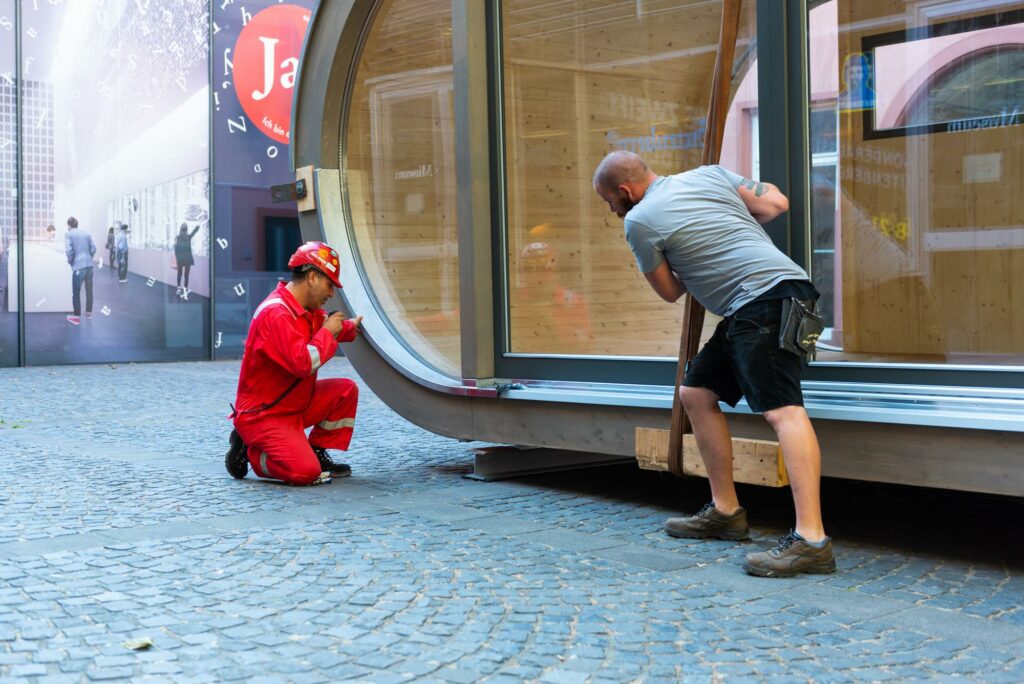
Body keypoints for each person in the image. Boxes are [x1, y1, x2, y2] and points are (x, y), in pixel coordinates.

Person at [592, 150, 834, 578]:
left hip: (766, 301)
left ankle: (811, 540)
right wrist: (721, 228)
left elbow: (670, 291)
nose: (611, 210)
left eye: (609, 201)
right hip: (775, 297)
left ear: (625, 191)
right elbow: (776, 203)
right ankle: (726, 512)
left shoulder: (639, 220)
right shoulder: (709, 177)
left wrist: (694, 250)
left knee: (783, 411)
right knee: (696, 392)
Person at [225, 241, 364, 486]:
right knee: (305, 473)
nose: (331, 293)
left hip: (293, 406)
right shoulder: (276, 314)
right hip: (264, 416)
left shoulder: (304, 309)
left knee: (345, 390)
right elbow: (303, 363)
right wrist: (327, 332)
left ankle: (316, 452)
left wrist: (353, 327)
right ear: (312, 278)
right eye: (329, 284)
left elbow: (331, 329)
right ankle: (253, 452)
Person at [64, 216, 96, 325]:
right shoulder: (86, 234)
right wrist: (89, 257)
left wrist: (71, 261)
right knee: (89, 290)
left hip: (78, 266)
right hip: (89, 265)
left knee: (76, 292)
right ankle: (88, 313)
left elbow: (68, 251)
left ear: (68, 225)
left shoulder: (68, 234)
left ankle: (76, 317)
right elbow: (93, 248)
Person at [174, 222, 201, 298]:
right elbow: (194, 232)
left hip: (181, 259)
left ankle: (179, 289)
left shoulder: (178, 237)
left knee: (179, 274)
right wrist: (197, 226)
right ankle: (185, 289)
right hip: (187, 259)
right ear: (186, 230)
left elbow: (175, 249)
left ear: (180, 229)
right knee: (186, 275)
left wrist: (177, 257)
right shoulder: (188, 237)